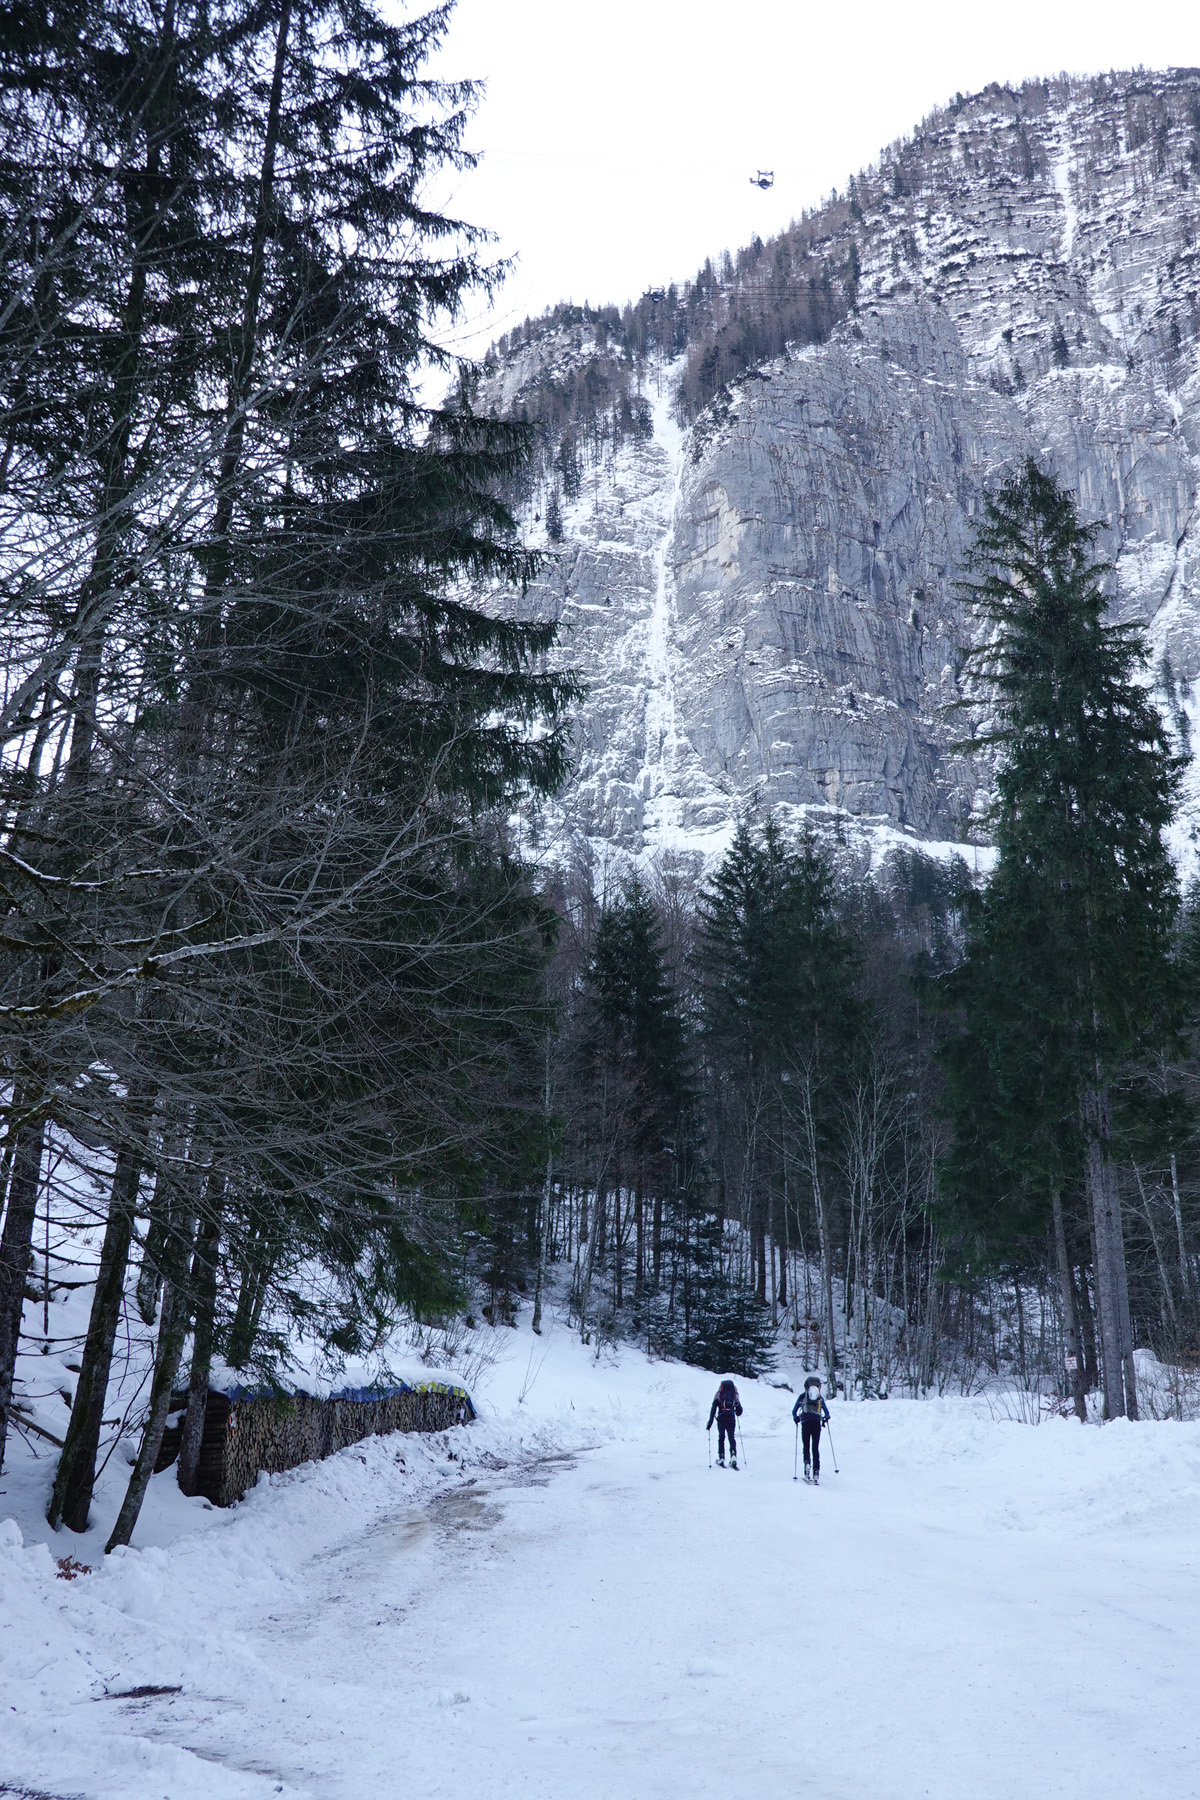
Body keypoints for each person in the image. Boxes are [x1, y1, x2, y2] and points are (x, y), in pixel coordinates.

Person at [792, 1374, 830, 1483]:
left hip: (805, 1423)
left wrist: (796, 1418)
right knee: (815, 1447)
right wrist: (824, 1418)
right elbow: (827, 1413)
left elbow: (794, 1411)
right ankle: (816, 1470)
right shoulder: (819, 1398)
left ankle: (807, 1465)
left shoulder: (802, 1397)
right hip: (816, 1423)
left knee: (806, 1446)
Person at [707, 1377, 743, 1468]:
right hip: (731, 1418)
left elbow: (713, 1408)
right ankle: (733, 1456)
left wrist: (710, 1422)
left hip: (721, 1419)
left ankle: (721, 1458)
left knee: (721, 1438)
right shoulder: (734, 1395)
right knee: (731, 1438)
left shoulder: (719, 1395)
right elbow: (739, 1412)